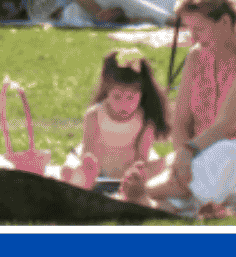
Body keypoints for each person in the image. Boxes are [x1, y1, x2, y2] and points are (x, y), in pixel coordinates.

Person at [120, 0, 236, 215]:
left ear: (225, 22)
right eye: (189, 30)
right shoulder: (196, 57)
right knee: (165, 165)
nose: (194, 38)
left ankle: (150, 193)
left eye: (199, 29)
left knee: (229, 151)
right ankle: (158, 202)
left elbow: (224, 127)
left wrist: (187, 153)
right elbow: (181, 121)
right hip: (200, 160)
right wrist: (181, 159)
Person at [60, 48, 168, 189]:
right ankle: (87, 183)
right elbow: (89, 152)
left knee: (163, 168)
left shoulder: (145, 120)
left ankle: (131, 189)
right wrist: (89, 170)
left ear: (142, 94)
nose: (124, 104)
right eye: (117, 97)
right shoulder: (94, 115)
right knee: (68, 172)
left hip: (130, 168)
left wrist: (134, 175)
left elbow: (142, 157)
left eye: (131, 97)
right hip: (98, 166)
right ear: (107, 91)